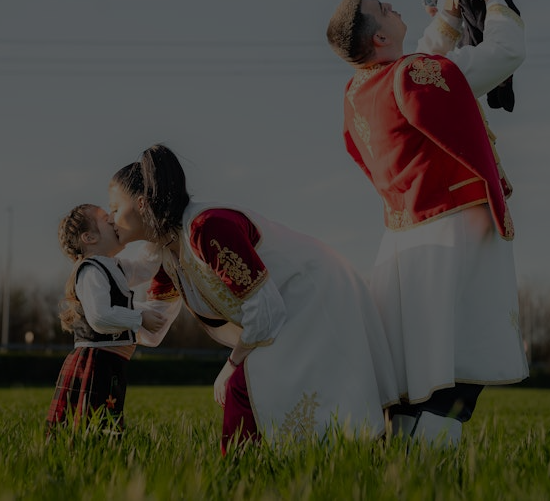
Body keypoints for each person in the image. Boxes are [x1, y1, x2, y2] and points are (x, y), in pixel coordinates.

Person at [326, 0, 529, 445]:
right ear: (379, 36)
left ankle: (400, 467)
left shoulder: (359, 91)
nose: (393, 5)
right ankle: (427, 471)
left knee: (416, 373)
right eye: (383, 7)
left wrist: (450, 17)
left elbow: (420, 70)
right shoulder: (412, 75)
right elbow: (503, 53)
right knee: (458, 370)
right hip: (456, 231)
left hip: (404, 240)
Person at [107, 144, 399, 453]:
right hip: (282, 309)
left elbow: (265, 310)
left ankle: (242, 469)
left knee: (244, 385)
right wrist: (99, 309)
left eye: (114, 209)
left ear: (141, 204)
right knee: (259, 389)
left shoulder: (208, 229)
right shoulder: (166, 251)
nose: (111, 218)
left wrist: (232, 364)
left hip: (315, 295)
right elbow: (154, 323)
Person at [46, 203, 175, 435]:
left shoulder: (113, 266)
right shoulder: (91, 271)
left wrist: (155, 234)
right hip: (95, 363)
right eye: (106, 219)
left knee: (104, 423)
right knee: (91, 427)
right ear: (89, 237)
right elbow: (100, 316)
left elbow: (145, 268)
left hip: (110, 362)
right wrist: (139, 317)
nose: (114, 221)